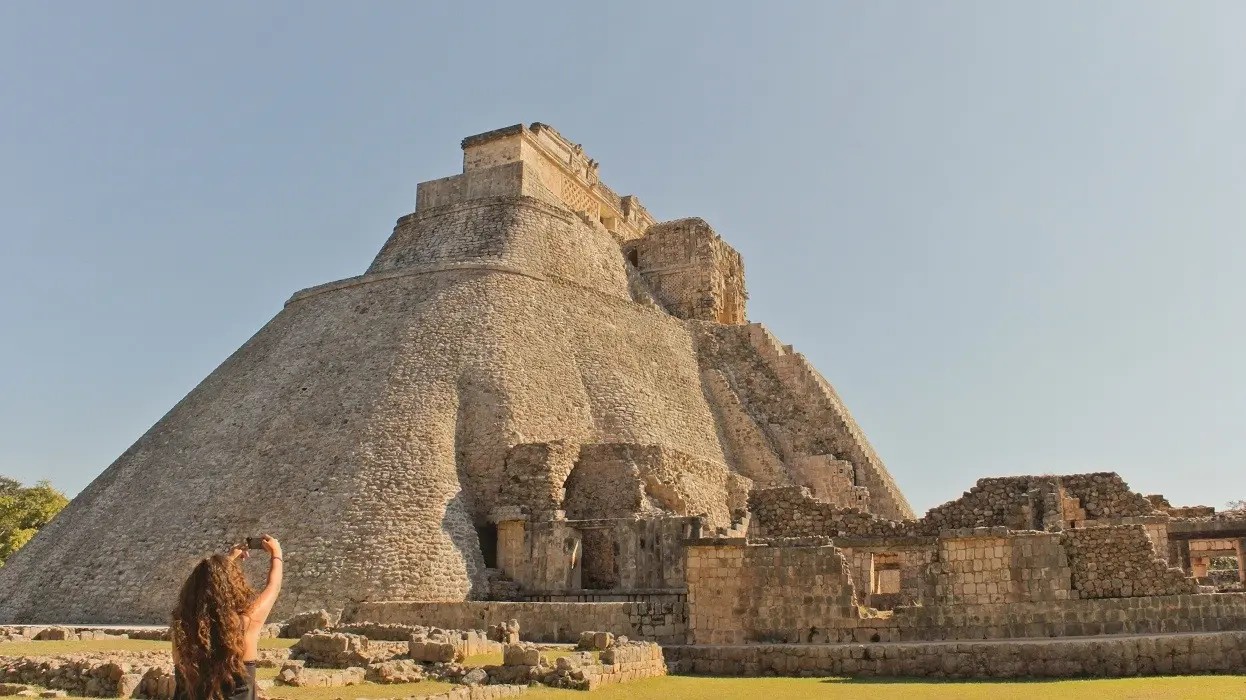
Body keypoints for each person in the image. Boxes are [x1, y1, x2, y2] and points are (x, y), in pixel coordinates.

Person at [170, 535, 283, 700]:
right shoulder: (244, 626)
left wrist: (226, 563)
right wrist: (276, 554)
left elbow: (207, 586)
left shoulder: (181, 632)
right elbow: (273, 587)